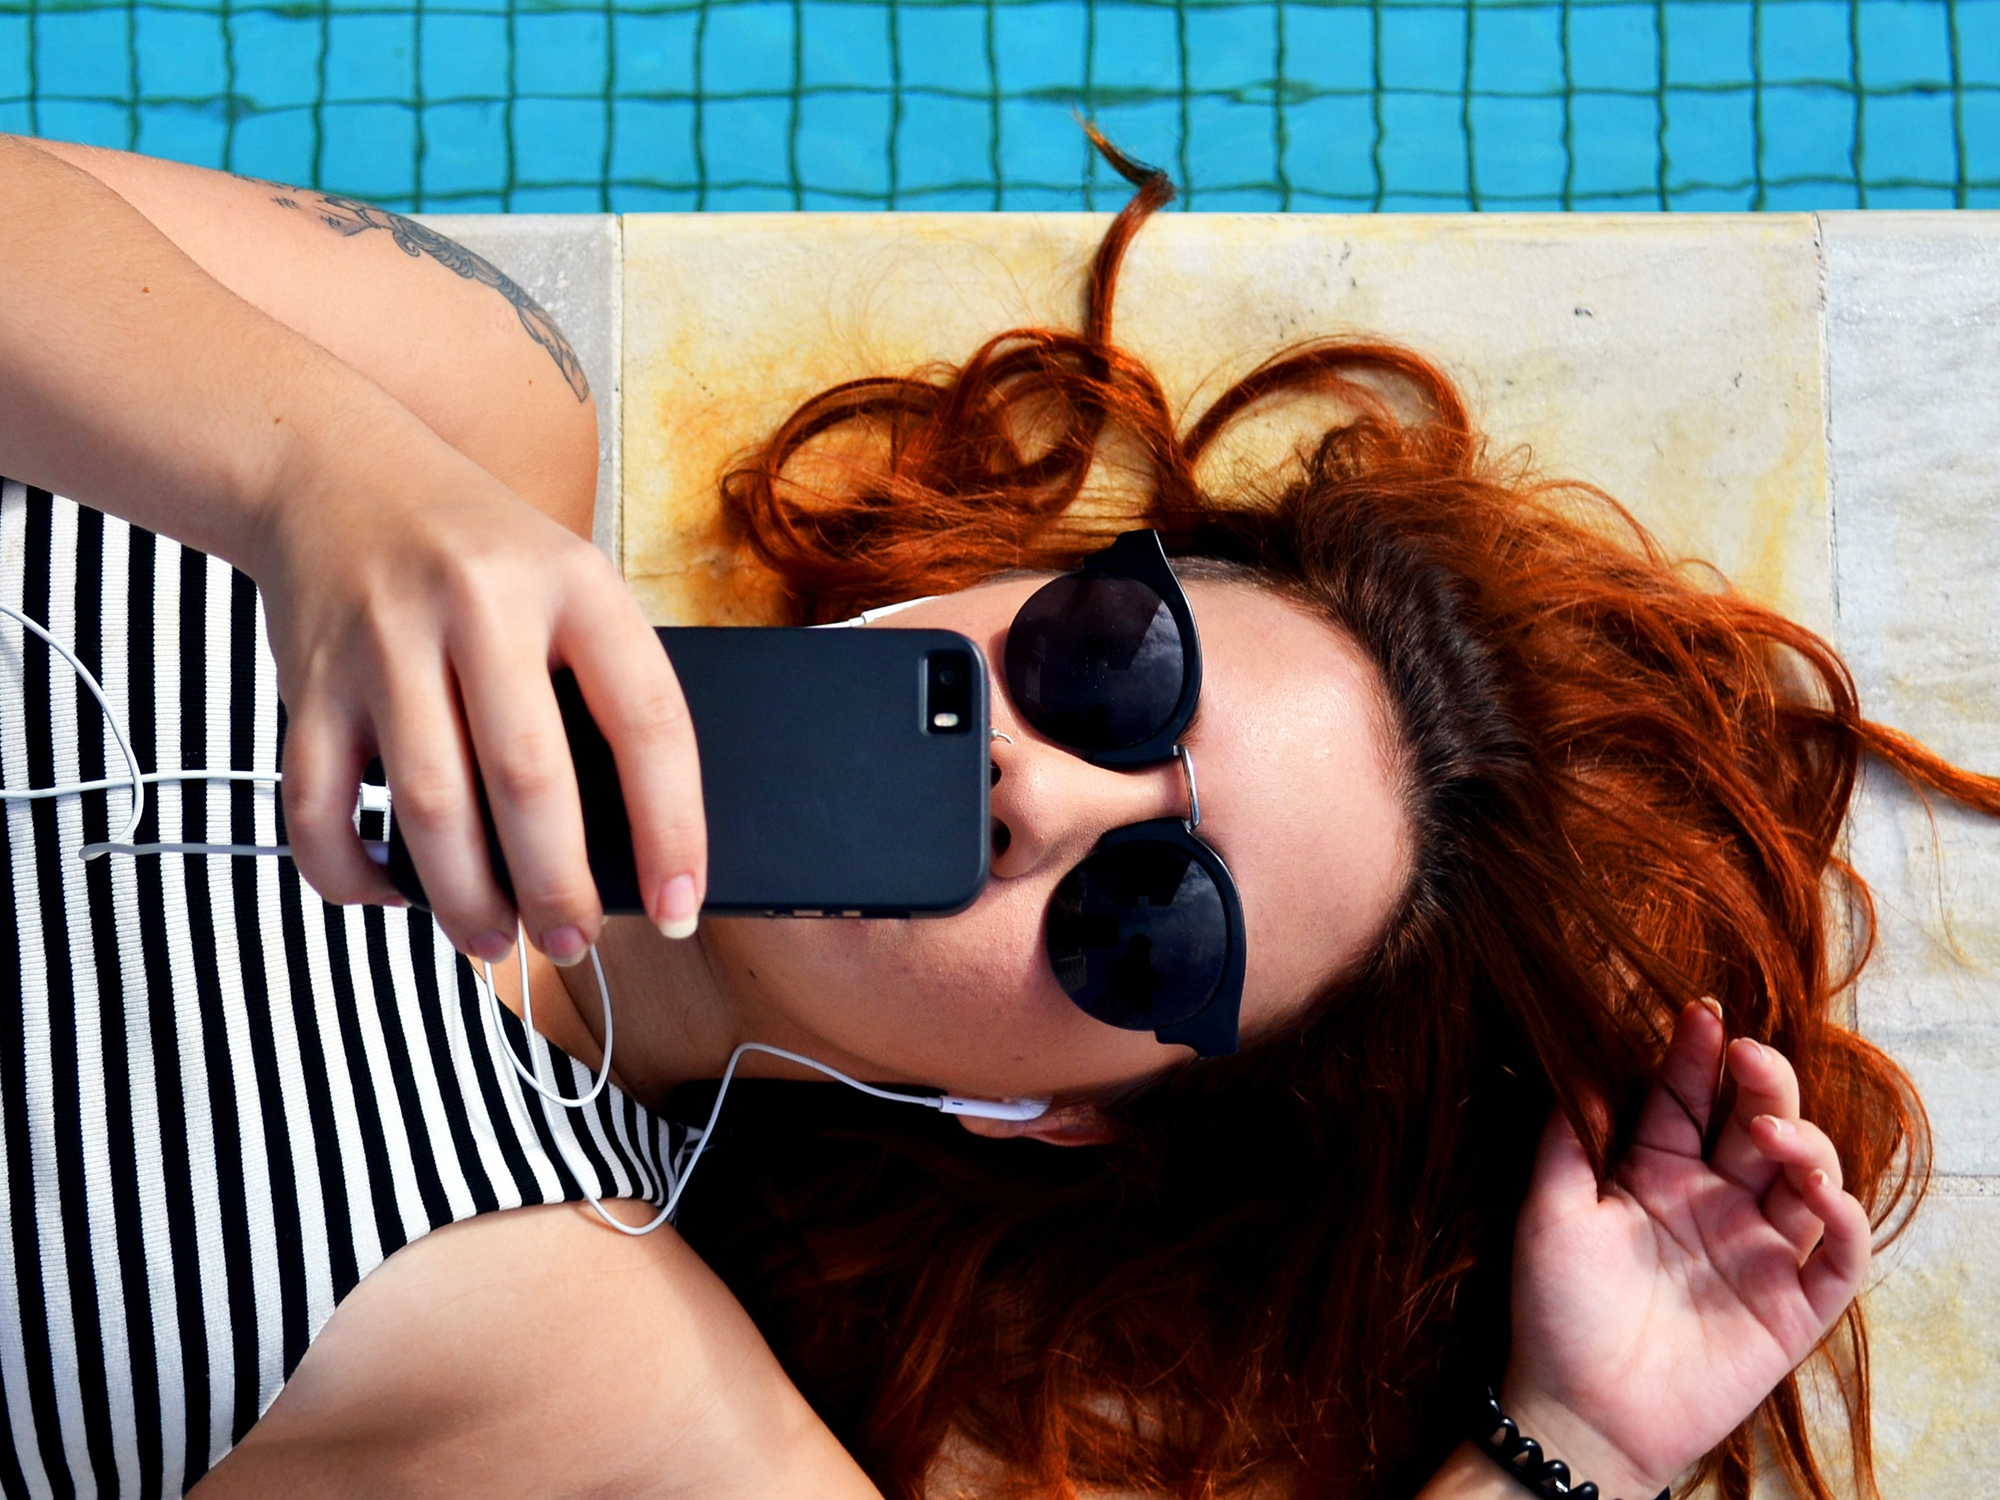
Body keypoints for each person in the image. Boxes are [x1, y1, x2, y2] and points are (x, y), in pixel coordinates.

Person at [0, 128, 1992, 1500]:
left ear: (1061, 1111)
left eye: (1154, 921)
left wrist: (1579, 1446)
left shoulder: (595, 1359)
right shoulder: (468, 399)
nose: (1040, 785)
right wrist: (314, 480)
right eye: (1116, 667)